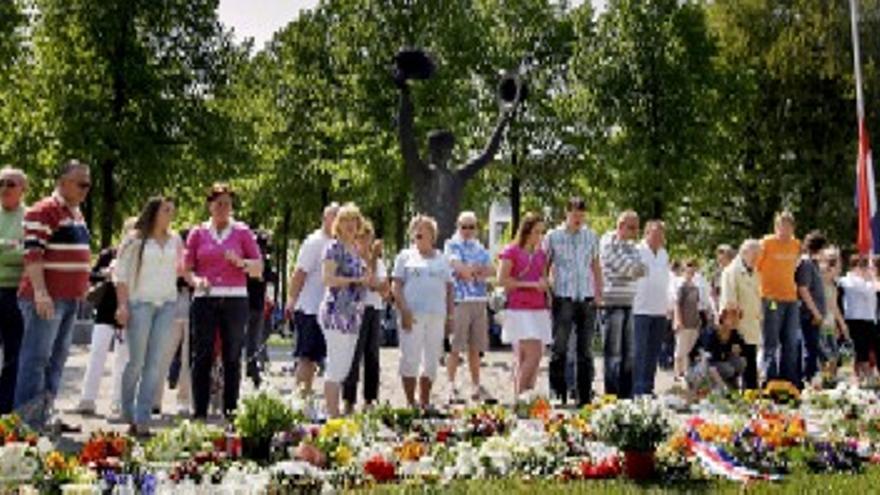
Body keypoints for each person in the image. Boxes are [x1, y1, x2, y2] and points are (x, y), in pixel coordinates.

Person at [15, 159, 91, 431]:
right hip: (47, 298)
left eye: (88, 184)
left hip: (70, 299)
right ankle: (25, 423)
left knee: (57, 360)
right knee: (36, 358)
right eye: (81, 183)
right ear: (63, 182)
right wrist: (40, 292)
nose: (86, 189)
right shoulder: (44, 210)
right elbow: (32, 254)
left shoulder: (76, 212)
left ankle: (44, 414)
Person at [184, 183, 263, 420]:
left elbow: (258, 268)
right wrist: (197, 281)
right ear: (209, 205)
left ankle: (231, 411)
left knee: (232, 354)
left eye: (227, 204)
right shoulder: (197, 233)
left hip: (235, 298)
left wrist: (241, 263)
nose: (223, 208)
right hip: (205, 298)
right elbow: (186, 270)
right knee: (202, 354)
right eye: (218, 204)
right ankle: (199, 412)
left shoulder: (242, 232)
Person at [115, 197, 183, 436]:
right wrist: (122, 306)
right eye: (166, 210)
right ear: (154, 212)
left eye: (172, 211)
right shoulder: (134, 240)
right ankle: (127, 410)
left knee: (155, 364)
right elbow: (120, 275)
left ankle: (143, 418)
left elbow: (181, 270)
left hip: (166, 305)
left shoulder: (176, 240)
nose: (170, 215)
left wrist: (197, 280)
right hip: (139, 304)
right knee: (136, 361)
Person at [543, 197, 602, 406]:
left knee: (585, 350)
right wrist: (548, 293)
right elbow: (545, 265)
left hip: (585, 297)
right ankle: (558, 392)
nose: (578, 218)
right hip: (563, 296)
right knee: (559, 347)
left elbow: (595, 266)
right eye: (574, 214)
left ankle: (584, 394)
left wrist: (598, 294)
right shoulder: (553, 236)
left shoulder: (591, 236)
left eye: (581, 215)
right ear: (566, 213)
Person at [392, 215, 454, 408]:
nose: (419, 231)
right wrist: (404, 310)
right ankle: (411, 402)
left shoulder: (442, 259)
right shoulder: (405, 257)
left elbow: (449, 288)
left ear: (432, 235)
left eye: (424, 228)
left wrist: (450, 316)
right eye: (416, 228)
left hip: (436, 315)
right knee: (410, 358)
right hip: (412, 315)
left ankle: (425, 401)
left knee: (431, 361)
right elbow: (396, 285)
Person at [75, 219, 136, 416]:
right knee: (97, 354)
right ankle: (87, 399)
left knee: (123, 359)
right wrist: (106, 273)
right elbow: (91, 276)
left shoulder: (140, 259)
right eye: (129, 232)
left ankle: (117, 400)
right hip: (105, 311)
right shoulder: (109, 254)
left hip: (127, 312)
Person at [318, 204, 367, 418]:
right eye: (346, 220)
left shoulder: (355, 250)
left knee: (345, 367)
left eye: (354, 220)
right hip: (335, 312)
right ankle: (332, 415)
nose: (350, 225)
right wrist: (354, 280)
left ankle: (334, 413)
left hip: (353, 315)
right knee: (336, 365)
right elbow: (327, 279)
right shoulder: (333, 248)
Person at [497, 212, 552, 399]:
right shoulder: (511, 251)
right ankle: (522, 399)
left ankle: (525, 400)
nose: (539, 236)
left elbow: (543, 277)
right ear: (526, 231)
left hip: (539, 308)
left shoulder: (540, 254)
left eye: (542, 232)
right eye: (536, 232)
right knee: (534, 353)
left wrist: (546, 284)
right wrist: (530, 285)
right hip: (519, 308)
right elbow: (502, 280)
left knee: (525, 359)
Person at [286, 203, 339, 394]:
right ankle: (301, 397)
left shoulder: (338, 243)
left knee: (317, 358)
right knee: (306, 356)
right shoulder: (314, 242)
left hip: (328, 311)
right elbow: (299, 273)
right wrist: (291, 300)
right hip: (309, 307)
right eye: (334, 217)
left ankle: (308, 395)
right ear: (325, 218)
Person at [443, 211, 494, 404]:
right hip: (460, 300)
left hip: (479, 299)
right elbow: (458, 268)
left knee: (476, 346)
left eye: (471, 226)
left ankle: (475, 384)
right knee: (456, 346)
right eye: (464, 226)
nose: (467, 230)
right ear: (458, 226)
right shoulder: (451, 244)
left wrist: (471, 271)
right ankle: (450, 383)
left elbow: (492, 269)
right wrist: (476, 271)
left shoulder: (480, 246)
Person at [599, 211, 646, 399]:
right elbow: (627, 267)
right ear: (620, 225)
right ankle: (611, 395)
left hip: (629, 302)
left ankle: (626, 396)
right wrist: (633, 268)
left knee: (629, 355)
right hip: (612, 302)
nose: (636, 232)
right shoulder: (607, 242)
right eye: (632, 227)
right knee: (613, 354)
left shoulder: (632, 246)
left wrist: (633, 268)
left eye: (637, 227)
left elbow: (642, 268)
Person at [343, 220, 388, 413]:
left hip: (374, 309)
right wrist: (374, 280)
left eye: (368, 237)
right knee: (353, 354)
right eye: (362, 237)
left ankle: (370, 398)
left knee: (372, 355)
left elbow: (385, 290)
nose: (366, 242)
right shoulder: (352, 260)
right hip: (356, 309)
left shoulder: (379, 263)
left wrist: (376, 283)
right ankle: (349, 399)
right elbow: (369, 282)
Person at [756, 211, 802, 387]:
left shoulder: (795, 244)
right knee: (771, 340)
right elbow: (756, 269)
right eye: (781, 227)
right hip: (771, 298)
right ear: (776, 227)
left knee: (791, 340)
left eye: (788, 227)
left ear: (793, 228)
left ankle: (789, 379)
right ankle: (770, 379)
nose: (785, 231)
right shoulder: (766, 243)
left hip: (791, 298)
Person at [632, 220, 670, 396]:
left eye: (661, 233)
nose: (658, 236)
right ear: (646, 233)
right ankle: (637, 388)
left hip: (659, 309)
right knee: (639, 351)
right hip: (640, 309)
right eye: (655, 233)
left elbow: (666, 281)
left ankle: (648, 387)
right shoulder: (636, 250)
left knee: (653, 351)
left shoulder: (664, 254)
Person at [719, 239, 762, 390]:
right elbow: (729, 303)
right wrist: (734, 330)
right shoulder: (731, 272)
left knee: (751, 364)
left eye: (759, 254)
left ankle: (751, 395)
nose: (758, 257)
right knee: (740, 365)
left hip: (753, 325)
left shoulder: (755, 271)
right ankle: (743, 396)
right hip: (738, 327)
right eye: (754, 254)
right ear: (744, 253)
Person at [0, 167, 26, 414]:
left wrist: (7, 250)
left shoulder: (30, 218)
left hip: (17, 294)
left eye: (11, 184)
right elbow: (19, 252)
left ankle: (5, 409)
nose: (4, 188)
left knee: (14, 355)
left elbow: (30, 254)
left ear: (23, 189)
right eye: (1, 183)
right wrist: (12, 247)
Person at [153, 272, 193, 417]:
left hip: (193, 304)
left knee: (188, 358)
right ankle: (154, 400)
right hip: (172, 302)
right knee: (163, 356)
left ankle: (184, 401)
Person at [796, 230, 828, 384]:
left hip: (815, 316)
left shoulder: (814, 264)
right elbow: (803, 289)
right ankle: (806, 382)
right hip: (808, 315)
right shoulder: (806, 263)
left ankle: (812, 380)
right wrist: (816, 313)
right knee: (809, 351)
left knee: (814, 350)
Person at [688, 308, 747, 391]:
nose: (736, 321)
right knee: (728, 369)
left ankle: (734, 386)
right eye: (733, 317)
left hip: (720, 362)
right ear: (723, 318)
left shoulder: (734, 333)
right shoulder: (711, 333)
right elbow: (708, 360)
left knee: (741, 362)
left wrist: (739, 350)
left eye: (737, 318)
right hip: (702, 366)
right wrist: (723, 387)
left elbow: (744, 350)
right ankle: (720, 388)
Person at [245, 230, 275, 388]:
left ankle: (252, 367)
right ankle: (251, 368)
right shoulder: (249, 260)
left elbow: (269, 278)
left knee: (254, 339)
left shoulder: (263, 261)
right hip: (247, 304)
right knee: (250, 339)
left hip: (257, 304)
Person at [839, 254, 877, 379]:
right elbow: (865, 291)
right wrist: (870, 279)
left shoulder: (868, 281)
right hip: (855, 319)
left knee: (867, 350)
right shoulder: (847, 280)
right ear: (856, 267)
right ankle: (862, 378)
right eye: (865, 267)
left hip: (869, 319)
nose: (868, 270)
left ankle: (866, 378)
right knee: (860, 351)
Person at [818, 247, 848, 379]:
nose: (840, 269)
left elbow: (834, 306)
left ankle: (830, 382)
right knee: (825, 356)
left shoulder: (833, 285)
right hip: (820, 324)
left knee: (834, 355)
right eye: (838, 265)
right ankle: (822, 382)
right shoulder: (821, 280)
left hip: (830, 325)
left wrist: (842, 325)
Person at [673, 259, 702, 380]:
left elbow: (697, 305)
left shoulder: (696, 288)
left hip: (693, 323)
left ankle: (685, 372)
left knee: (688, 349)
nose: (690, 274)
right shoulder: (682, 287)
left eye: (692, 272)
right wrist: (678, 320)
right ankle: (677, 373)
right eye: (688, 271)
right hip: (683, 322)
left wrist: (698, 320)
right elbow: (677, 304)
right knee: (680, 349)